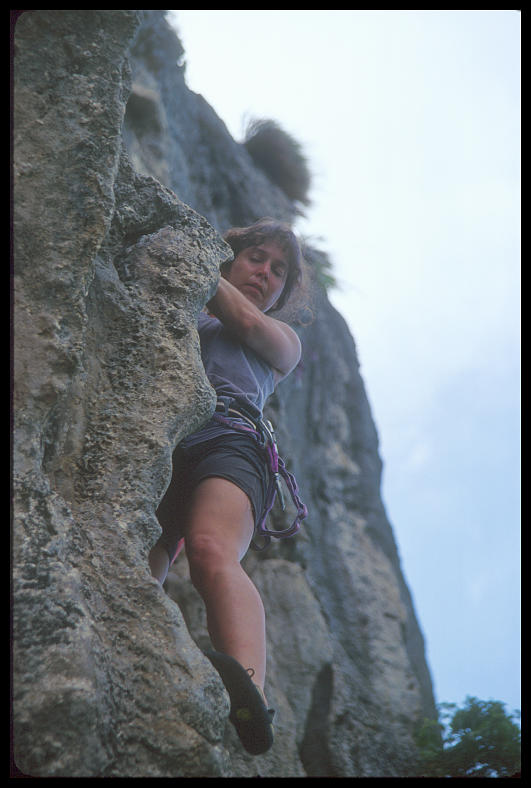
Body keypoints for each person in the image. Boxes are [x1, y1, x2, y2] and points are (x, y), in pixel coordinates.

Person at [148, 218, 305, 755]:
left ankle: (251, 692)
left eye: (278, 271)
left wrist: (194, 253)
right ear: (232, 258)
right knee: (144, 549)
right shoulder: (187, 308)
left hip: (232, 439)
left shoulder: (283, 342)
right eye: (256, 258)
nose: (264, 273)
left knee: (211, 549)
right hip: (167, 430)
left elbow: (244, 318)